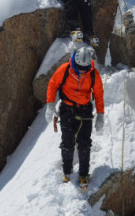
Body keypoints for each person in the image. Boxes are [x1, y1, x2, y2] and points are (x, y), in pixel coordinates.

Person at [45, 46, 104, 187]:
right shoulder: (65, 69)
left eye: (85, 68)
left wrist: (101, 114)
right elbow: (53, 84)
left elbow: (98, 94)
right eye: (80, 68)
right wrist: (50, 104)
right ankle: (67, 171)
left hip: (85, 110)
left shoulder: (93, 74)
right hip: (67, 109)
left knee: (84, 144)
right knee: (67, 143)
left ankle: (83, 174)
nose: (82, 71)